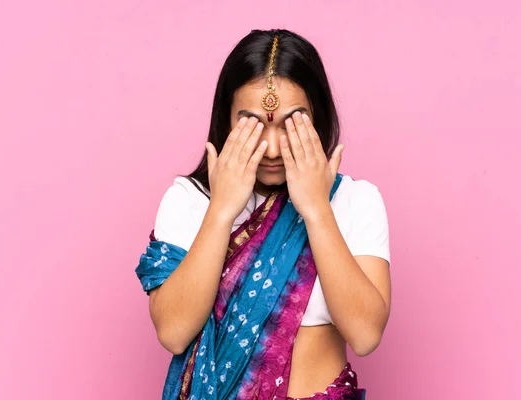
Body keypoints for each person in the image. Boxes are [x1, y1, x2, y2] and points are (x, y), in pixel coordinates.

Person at [135, 29, 391, 400]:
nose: (272, 147)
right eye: (253, 123)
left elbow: (365, 335)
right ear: (226, 120)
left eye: (291, 123)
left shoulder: (356, 200)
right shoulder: (190, 200)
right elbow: (173, 332)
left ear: (318, 117)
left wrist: (317, 209)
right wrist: (222, 210)